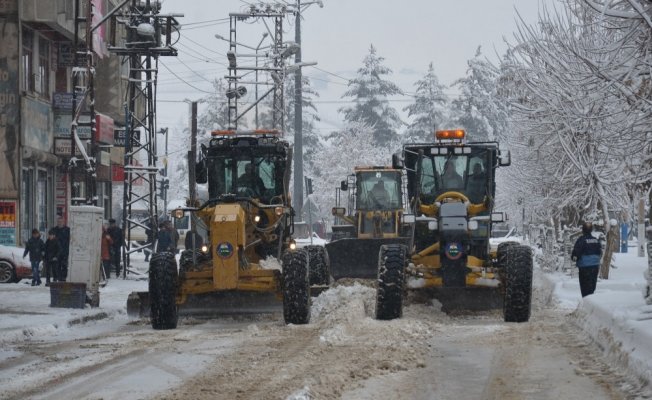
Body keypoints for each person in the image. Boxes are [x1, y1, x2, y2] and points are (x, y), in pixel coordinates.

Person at [571, 222, 603, 297]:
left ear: (583, 230)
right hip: (595, 266)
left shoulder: (581, 240)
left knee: (584, 287)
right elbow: (600, 252)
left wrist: (574, 257)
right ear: (591, 230)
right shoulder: (595, 240)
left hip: (584, 267)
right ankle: (591, 300)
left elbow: (576, 252)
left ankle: (586, 302)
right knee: (592, 286)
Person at [51, 215, 70, 281]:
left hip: (65, 251)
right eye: (58, 221)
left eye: (61, 221)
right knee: (57, 265)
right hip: (56, 251)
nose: (59, 223)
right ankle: (59, 277)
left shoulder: (67, 230)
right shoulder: (54, 230)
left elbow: (70, 240)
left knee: (64, 265)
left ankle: (64, 277)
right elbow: (51, 240)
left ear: (64, 222)